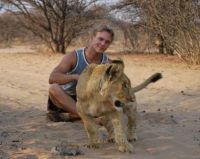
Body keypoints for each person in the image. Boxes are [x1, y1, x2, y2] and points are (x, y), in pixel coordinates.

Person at [47, 24, 114, 122]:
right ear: (92, 38)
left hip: (87, 101)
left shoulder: (108, 63)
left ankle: (73, 116)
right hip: (65, 99)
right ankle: (88, 118)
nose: (103, 44)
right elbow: (52, 78)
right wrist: (75, 77)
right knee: (54, 88)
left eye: (107, 42)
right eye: (100, 39)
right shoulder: (74, 56)